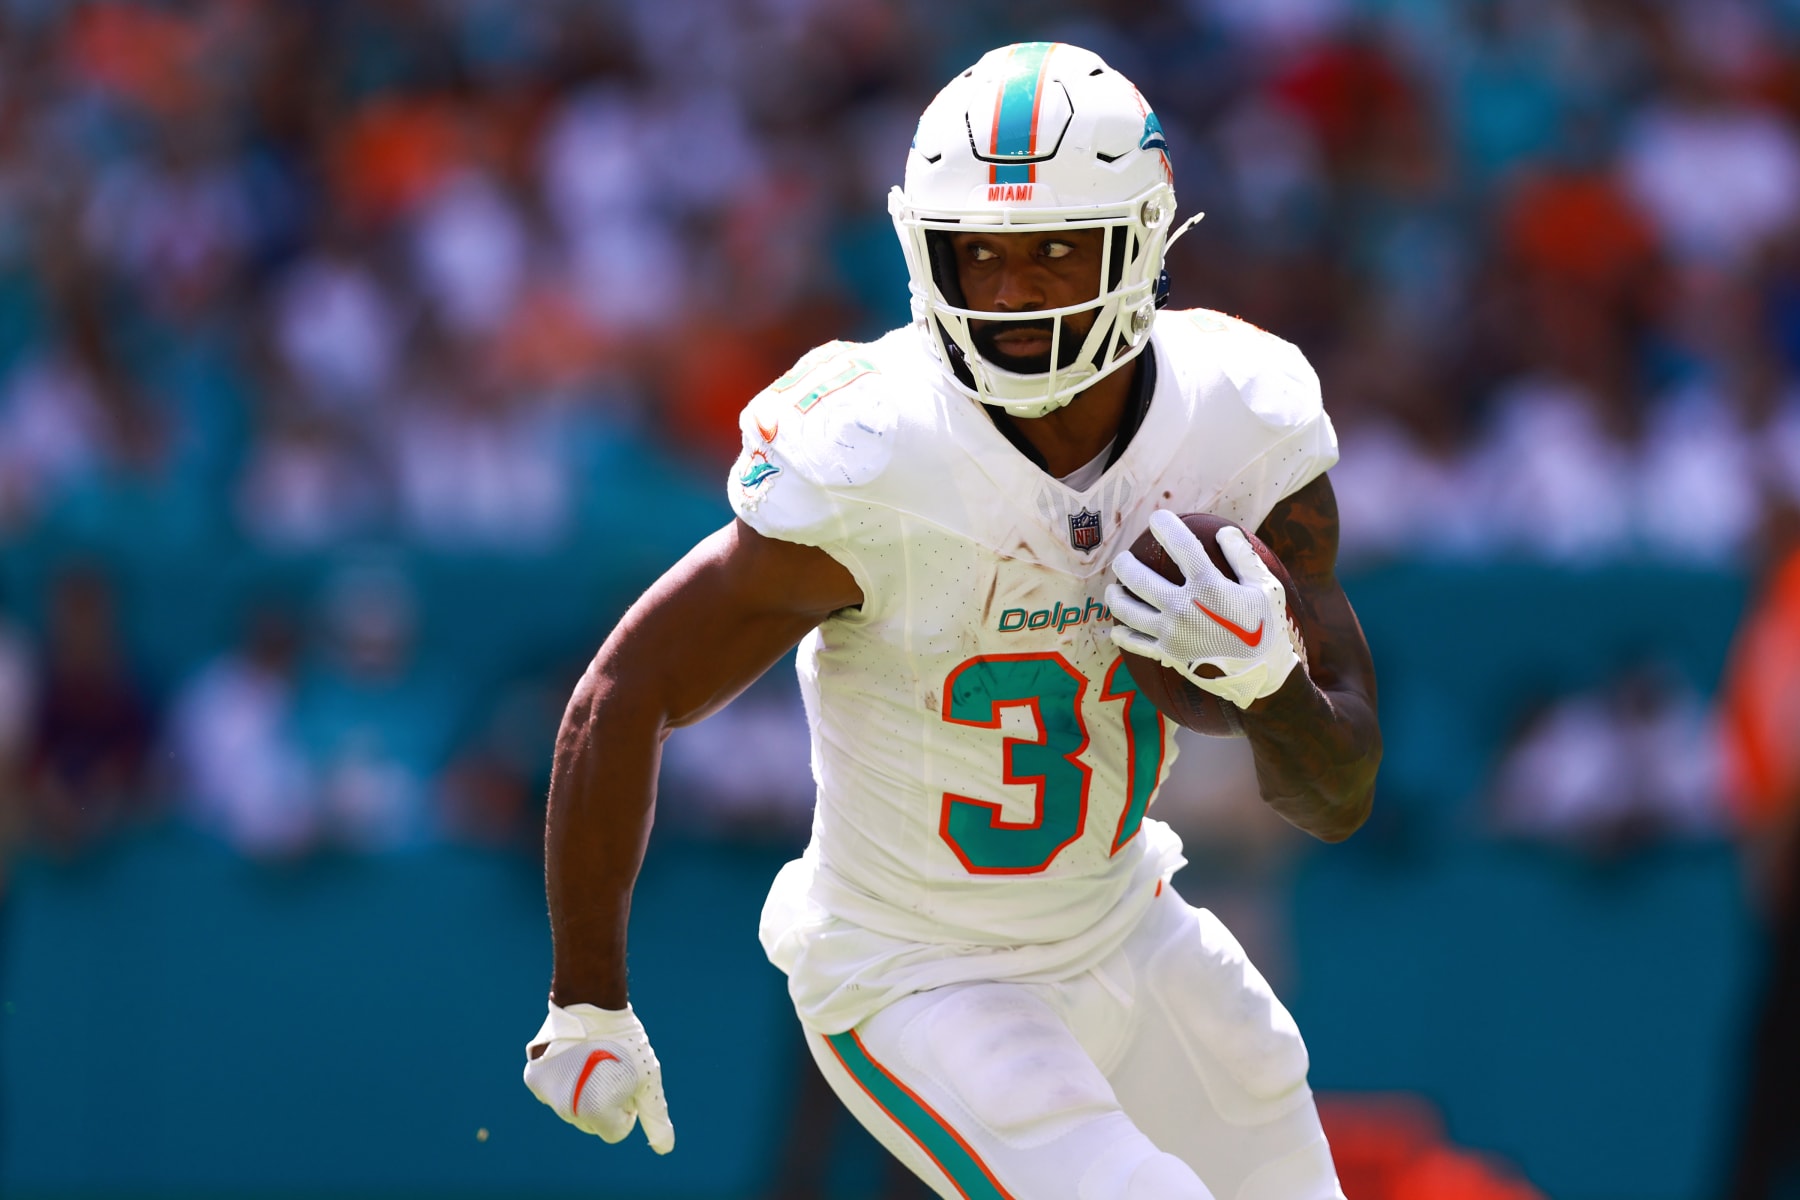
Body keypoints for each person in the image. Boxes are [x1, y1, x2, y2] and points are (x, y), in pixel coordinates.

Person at [523, 43, 1380, 1200]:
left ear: (1140, 239)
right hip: (919, 973)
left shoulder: (1237, 419)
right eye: (978, 251)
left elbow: (1339, 795)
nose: (1012, 293)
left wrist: (1269, 687)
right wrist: (587, 1001)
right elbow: (623, 691)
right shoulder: (877, 458)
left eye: (1054, 250)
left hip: (1125, 921)